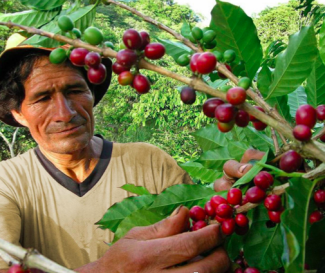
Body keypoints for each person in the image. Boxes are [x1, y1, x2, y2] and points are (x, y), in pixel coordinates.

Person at [0, 38, 261, 272]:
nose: (65, 112)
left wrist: (229, 201)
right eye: (42, 98)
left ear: (91, 94)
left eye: (75, 91)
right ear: (18, 113)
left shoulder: (150, 161)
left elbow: (196, 234)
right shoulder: (6, 183)